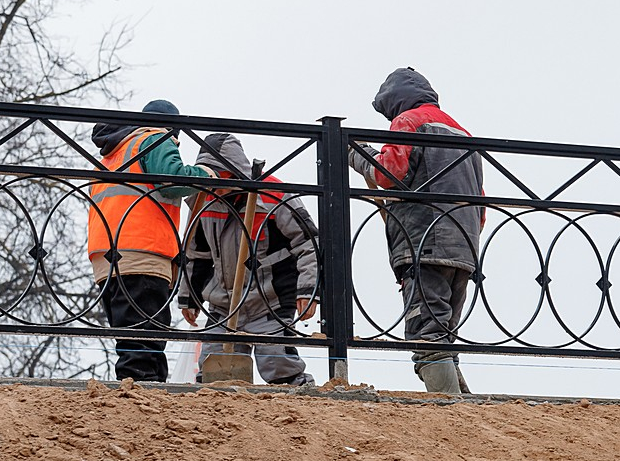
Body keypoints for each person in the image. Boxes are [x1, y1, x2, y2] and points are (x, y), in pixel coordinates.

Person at [347, 67, 483, 394]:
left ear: (395, 103)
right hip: (464, 246)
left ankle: (450, 410)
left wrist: (359, 154)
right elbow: (480, 201)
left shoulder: (407, 122)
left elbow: (387, 173)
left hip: (425, 242)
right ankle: (462, 405)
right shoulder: (463, 133)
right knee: (444, 332)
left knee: (427, 333)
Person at [88, 99, 216, 382]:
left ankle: (146, 393)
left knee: (134, 335)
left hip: (107, 255)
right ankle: (138, 400)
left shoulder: (116, 150)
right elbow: (173, 179)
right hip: (142, 250)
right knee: (144, 339)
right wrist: (204, 176)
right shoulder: (155, 138)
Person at [178, 133, 320, 386]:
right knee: (213, 375)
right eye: (208, 176)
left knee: (281, 368)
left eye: (217, 175)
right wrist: (189, 297)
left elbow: (309, 243)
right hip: (223, 304)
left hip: (271, 301)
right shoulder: (203, 200)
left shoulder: (274, 195)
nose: (213, 184)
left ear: (233, 171)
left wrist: (308, 291)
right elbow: (195, 254)